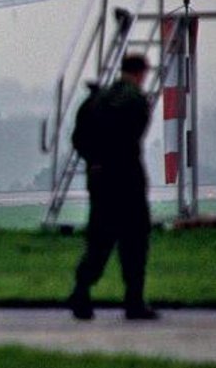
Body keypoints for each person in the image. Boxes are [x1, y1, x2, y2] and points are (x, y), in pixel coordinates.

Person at [68, 53, 159, 320]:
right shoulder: (135, 100)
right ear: (141, 72)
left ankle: (81, 292)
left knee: (99, 240)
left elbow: (78, 137)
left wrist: (96, 160)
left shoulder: (95, 100)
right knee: (134, 241)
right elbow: (133, 136)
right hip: (127, 180)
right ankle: (134, 301)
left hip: (100, 179)